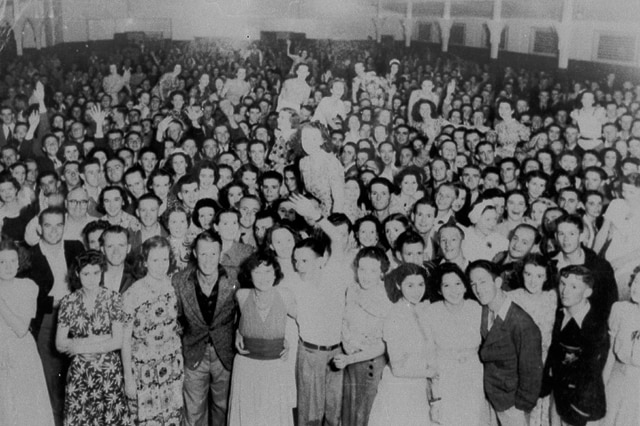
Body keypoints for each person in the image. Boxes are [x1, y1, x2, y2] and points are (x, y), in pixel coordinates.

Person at [288, 194, 351, 426]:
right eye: (296, 260)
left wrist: (315, 216)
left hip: (336, 355)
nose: (298, 265)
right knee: (309, 417)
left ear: (321, 259)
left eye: (304, 260)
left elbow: (336, 237)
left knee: (334, 417)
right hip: (309, 355)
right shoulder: (293, 283)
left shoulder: (333, 275)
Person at [55, 250, 131, 425]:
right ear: (77, 274)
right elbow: (59, 343)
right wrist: (102, 339)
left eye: (96, 273)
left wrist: (80, 346)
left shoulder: (113, 298)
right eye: (86, 273)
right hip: (80, 374)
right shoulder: (68, 302)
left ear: (102, 272)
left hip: (109, 373)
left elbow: (117, 341)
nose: (91, 278)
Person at [172, 230, 239, 426]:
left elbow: (246, 310)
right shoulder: (179, 281)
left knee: (223, 409)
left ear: (220, 254)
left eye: (213, 254)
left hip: (225, 355)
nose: (208, 260)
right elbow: (174, 319)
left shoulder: (236, 279)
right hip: (193, 353)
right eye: (203, 254)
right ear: (194, 253)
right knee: (193, 412)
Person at [28, 206, 86, 426]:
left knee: (79, 375)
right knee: (53, 380)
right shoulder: (31, 255)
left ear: (65, 226)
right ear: (40, 228)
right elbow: (28, 295)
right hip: (48, 320)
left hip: (79, 317)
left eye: (59, 225)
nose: (53, 231)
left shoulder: (75, 247)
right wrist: (57, 302)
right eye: (48, 226)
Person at [468, 259, 543, 426]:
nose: (478, 289)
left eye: (483, 282)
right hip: (491, 396)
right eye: (473, 284)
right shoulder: (485, 310)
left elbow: (532, 373)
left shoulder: (522, 323)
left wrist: (520, 408)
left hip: (511, 403)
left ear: (498, 282)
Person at [229, 251, 297, 426]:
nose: (263, 277)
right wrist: (237, 332)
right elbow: (238, 322)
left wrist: (288, 342)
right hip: (247, 368)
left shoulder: (285, 295)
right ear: (249, 275)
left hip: (275, 368)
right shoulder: (241, 295)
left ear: (275, 274)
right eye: (257, 272)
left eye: (268, 271)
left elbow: (304, 324)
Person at [122, 236, 184, 425]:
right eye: (155, 260)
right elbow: (124, 340)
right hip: (144, 369)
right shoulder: (133, 293)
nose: (161, 265)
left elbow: (177, 325)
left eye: (165, 259)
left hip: (171, 365)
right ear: (145, 262)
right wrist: (128, 379)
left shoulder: (173, 285)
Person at [368, 263, 436, 426]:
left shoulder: (421, 309)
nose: (416, 291)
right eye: (410, 285)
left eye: (420, 284)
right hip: (400, 389)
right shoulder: (394, 316)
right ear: (399, 285)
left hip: (419, 386)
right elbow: (397, 369)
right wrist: (430, 372)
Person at [333, 246, 393, 426]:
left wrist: (350, 359)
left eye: (373, 270)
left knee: (364, 416)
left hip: (369, 365)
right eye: (362, 269)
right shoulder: (352, 289)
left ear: (382, 272)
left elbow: (383, 345)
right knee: (349, 414)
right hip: (350, 364)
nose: (366, 275)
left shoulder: (387, 297)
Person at [544, 265, 609, 426]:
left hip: (580, 406)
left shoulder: (595, 326)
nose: (565, 291)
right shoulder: (560, 313)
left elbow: (593, 372)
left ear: (587, 292)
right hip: (558, 398)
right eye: (563, 283)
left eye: (574, 287)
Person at [0, 239, 55, 426]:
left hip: (21, 354)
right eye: (2, 262)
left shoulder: (28, 287)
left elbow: (21, 328)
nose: (8, 267)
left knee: (27, 411)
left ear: (19, 261)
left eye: (13, 261)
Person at [427, 262, 486, 426]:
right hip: (445, 377)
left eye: (458, 284)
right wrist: (435, 394)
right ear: (439, 289)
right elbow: (429, 354)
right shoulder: (432, 312)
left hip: (473, 375)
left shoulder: (477, 309)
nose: (454, 290)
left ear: (466, 286)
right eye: (447, 285)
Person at [508, 254, 558, 426]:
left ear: (546, 277)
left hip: (545, 366)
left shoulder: (553, 298)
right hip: (518, 366)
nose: (533, 281)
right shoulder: (511, 297)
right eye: (528, 274)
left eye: (539, 275)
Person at [602, 266, 640, 426]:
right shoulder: (620, 310)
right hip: (616, 383)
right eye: (636, 281)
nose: (636, 288)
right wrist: (602, 385)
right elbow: (610, 352)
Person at [594, 172, 640, 300]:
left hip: (632, 265)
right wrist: (593, 256)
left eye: (631, 192)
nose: (626, 195)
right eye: (624, 191)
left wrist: (621, 262)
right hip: (609, 260)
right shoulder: (616, 204)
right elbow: (603, 232)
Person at [298, 122, 345, 215]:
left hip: (332, 214)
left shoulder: (331, 163)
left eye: (314, 138)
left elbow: (339, 199)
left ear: (322, 140)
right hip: (312, 214)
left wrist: (332, 224)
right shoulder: (303, 162)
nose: (308, 142)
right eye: (305, 138)